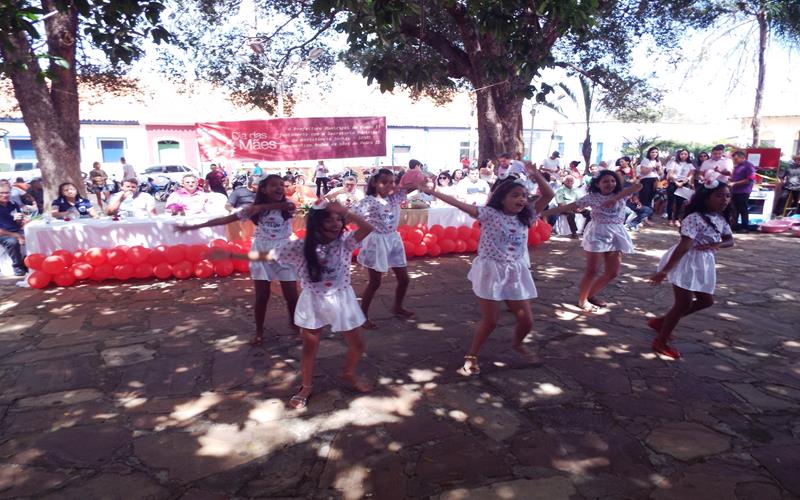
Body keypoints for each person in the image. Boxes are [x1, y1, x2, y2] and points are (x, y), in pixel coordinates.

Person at [215, 200, 374, 408]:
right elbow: (267, 255)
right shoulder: (299, 246)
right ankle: (306, 386)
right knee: (310, 347)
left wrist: (346, 211)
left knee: (358, 345)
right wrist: (231, 254)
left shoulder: (345, 241)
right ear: (316, 223)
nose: (335, 224)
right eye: (329, 219)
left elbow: (368, 227)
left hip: (342, 298)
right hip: (313, 300)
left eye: (338, 220)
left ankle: (349, 372)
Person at [418, 166, 554, 375]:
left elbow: (549, 194)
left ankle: (517, 343)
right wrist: (432, 191)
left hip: (515, 271)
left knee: (527, 320)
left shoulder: (526, 216)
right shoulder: (489, 214)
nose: (521, 199)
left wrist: (535, 175)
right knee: (491, 321)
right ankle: (471, 356)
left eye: (524, 196)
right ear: (501, 198)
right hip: (491, 270)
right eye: (515, 195)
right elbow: (458, 204)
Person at [178, 175, 299, 343]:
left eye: (281, 185)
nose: (279, 188)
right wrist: (195, 226)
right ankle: (259, 331)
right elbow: (225, 219)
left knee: (292, 295)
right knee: (262, 296)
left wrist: (259, 208)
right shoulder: (252, 209)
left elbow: (287, 204)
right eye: (274, 185)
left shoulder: (287, 207)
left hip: (284, 250)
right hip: (261, 251)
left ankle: (295, 324)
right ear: (263, 189)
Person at [648, 180, 734, 359]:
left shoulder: (720, 218)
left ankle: (661, 323)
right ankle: (661, 341)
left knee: (706, 301)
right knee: (683, 303)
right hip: (686, 261)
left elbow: (730, 240)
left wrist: (717, 244)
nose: (724, 200)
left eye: (727, 195)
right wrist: (664, 271)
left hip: (703, 262)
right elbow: (684, 246)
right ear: (705, 197)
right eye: (718, 195)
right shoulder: (694, 218)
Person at [544, 170, 642, 311]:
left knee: (613, 272)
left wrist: (615, 198)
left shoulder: (621, 196)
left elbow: (638, 187)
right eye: (605, 181)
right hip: (598, 233)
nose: (610, 184)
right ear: (598, 184)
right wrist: (543, 213)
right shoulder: (592, 197)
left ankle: (591, 294)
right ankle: (582, 300)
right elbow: (569, 206)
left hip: (616, 233)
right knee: (592, 271)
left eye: (613, 181)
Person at [353, 168, 419, 329]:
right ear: (375, 183)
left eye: (392, 182)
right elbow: (352, 214)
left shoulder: (395, 197)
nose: (389, 185)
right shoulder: (368, 201)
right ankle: (362, 316)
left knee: (404, 279)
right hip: (377, 242)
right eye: (384, 182)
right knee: (375, 282)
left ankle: (397, 306)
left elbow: (414, 185)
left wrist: (400, 186)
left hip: (393, 239)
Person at [0, 184, 28, 276]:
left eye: (7, 192)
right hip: (3, 234)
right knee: (12, 242)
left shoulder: (13, 204)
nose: (5, 195)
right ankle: (17, 267)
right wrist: (17, 236)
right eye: (2, 193)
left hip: (15, 231)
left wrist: (20, 220)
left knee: (32, 236)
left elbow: (18, 223)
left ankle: (28, 263)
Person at [665, 149, 695, 226]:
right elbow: (670, 174)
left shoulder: (690, 164)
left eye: (685, 154)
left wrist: (684, 182)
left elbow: (691, 175)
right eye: (682, 154)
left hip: (683, 184)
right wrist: (676, 182)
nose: (683, 155)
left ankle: (677, 219)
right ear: (679, 154)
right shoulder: (673, 163)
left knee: (680, 202)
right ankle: (670, 219)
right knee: (671, 201)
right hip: (673, 183)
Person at [729, 150, 757, 232]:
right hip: (735, 191)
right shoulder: (737, 166)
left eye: (736, 159)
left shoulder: (748, 166)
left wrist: (734, 183)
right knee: (735, 209)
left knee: (742, 209)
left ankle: (745, 227)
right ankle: (735, 225)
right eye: (734, 159)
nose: (734, 161)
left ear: (742, 158)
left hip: (743, 191)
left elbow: (750, 179)